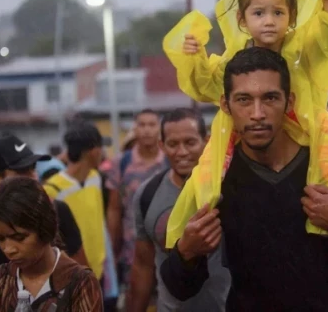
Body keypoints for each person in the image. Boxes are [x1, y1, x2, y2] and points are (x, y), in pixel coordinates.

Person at [163, 0, 328, 246]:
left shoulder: (302, 51)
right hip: (244, 137)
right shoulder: (234, 60)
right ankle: (194, 239)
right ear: (242, 20)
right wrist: (193, 56)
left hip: (307, 131)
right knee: (206, 181)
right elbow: (207, 82)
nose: (269, 21)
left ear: (292, 17)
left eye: (278, 12)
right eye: (259, 13)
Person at [160, 47, 328, 310]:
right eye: (243, 99)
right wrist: (186, 252)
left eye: (270, 98)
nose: (257, 113)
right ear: (225, 105)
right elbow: (180, 288)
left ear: (289, 102)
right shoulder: (215, 179)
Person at [0, 134, 85, 312]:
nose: (33, 177)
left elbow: (81, 278)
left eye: (33, 169)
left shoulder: (58, 212)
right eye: (22, 172)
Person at [127, 108, 230, 312]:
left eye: (190, 142)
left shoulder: (228, 188)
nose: (181, 152)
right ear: (162, 146)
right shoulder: (147, 194)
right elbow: (143, 265)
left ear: (206, 141)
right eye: (173, 144)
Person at [0, 177, 103, 311]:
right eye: (0, 239)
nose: (8, 249)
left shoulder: (80, 283)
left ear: (44, 229)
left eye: (19, 237)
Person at [103, 108, 167, 287]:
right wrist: (112, 252)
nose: (147, 129)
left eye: (152, 124)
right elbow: (114, 209)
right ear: (135, 129)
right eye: (142, 124)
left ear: (159, 129)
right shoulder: (121, 163)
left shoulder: (170, 161)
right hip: (132, 253)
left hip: (169, 252)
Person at [44, 123, 108, 282]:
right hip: (70, 274)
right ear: (94, 151)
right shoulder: (52, 189)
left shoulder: (96, 178)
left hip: (98, 271)